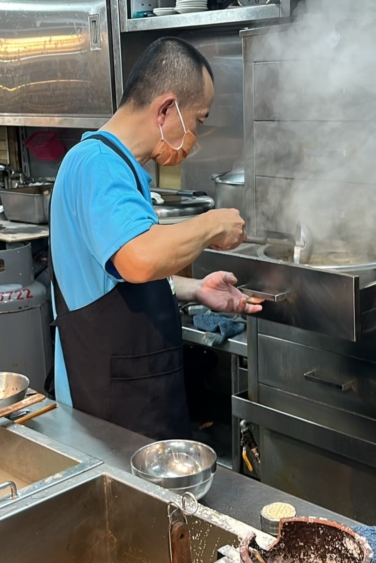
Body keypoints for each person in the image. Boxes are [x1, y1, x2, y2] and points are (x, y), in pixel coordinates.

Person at [49, 37, 262, 440]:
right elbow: (139, 260)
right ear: (166, 109)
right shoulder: (100, 166)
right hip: (110, 406)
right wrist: (213, 223)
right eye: (198, 120)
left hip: (130, 393)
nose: (196, 137)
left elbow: (115, 277)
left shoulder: (115, 167)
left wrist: (196, 288)